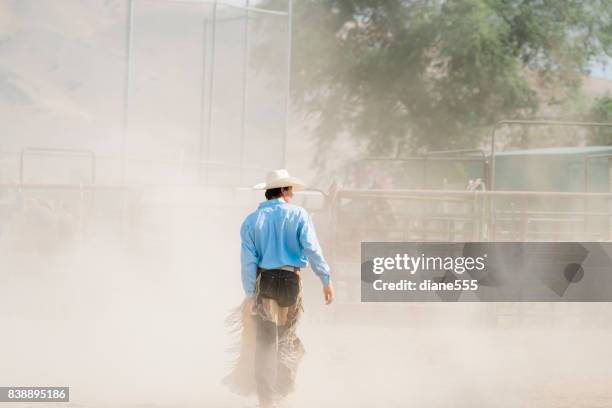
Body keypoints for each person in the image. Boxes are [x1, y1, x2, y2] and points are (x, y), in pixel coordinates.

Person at [224, 169, 334, 408]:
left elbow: (248, 262)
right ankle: (282, 392)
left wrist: (250, 294)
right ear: (283, 191)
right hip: (291, 281)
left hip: (266, 282)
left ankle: (267, 401)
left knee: (265, 343)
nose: (292, 195)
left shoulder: (252, 221)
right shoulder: (300, 215)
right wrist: (326, 279)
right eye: (290, 191)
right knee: (286, 339)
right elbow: (312, 249)